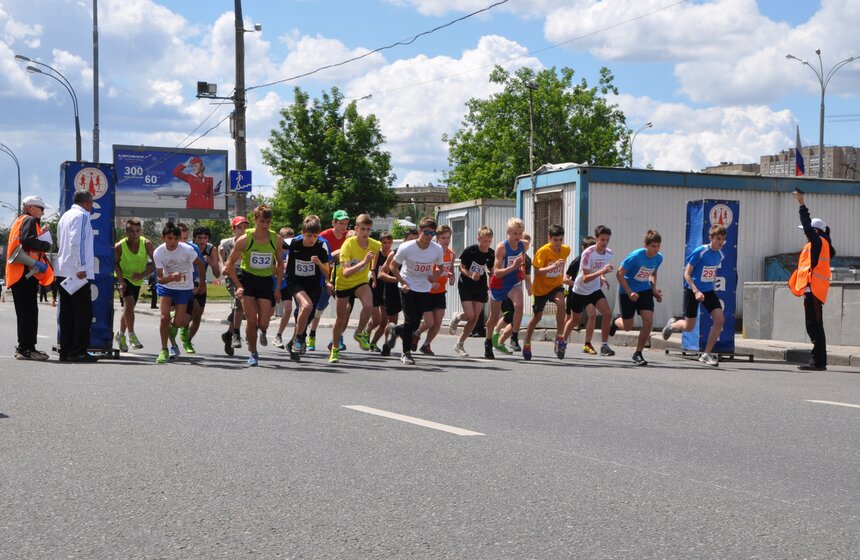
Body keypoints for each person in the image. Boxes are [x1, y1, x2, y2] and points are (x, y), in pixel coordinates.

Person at [225, 205, 284, 367]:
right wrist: (238, 286)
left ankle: (263, 331)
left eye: (268, 222)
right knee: (251, 319)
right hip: (248, 280)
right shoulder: (245, 239)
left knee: (263, 322)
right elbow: (229, 264)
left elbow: (280, 264)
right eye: (262, 221)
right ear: (255, 220)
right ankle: (253, 352)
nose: (265, 225)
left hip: (265, 282)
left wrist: (278, 287)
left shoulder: (276, 239)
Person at [662, 224, 727, 367]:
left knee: (719, 319)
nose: (720, 242)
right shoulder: (701, 252)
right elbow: (686, 274)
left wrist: (712, 286)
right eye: (718, 239)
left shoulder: (720, 255)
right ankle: (672, 325)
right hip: (693, 290)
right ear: (711, 238)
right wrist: (696, 291)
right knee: (689, 326)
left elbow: (712, 271)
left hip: (708, 291)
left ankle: (706, 354)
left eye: (723, 239)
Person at [382, 217, 444, 365]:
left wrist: (433, 278)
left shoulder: (437, 249)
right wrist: (402, 282)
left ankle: (395, 330)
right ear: (420, 231)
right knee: (410, 320)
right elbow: (393, 266)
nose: (429, 236)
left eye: (432, 233)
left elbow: (441, 267)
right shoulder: (407, 247)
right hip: (407, 285)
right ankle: (406, 353)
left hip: (423, 287)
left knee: (416, 323)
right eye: (427, 232)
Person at [789, 191, 835, 371]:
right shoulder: (820, 244)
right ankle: (818, 362)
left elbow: (807, 227)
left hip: (814, 290)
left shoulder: (818, 242)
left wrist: (802, 205)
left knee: (815, 326)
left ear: (815, 231)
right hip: (813, 290)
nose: (805, 234)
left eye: (808, 232)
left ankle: (818, 362)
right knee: (814, 326)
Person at [6, 195, 54, 360]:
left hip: (18, 274)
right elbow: (28, 241)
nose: (43, 212)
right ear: (32, 208)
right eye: (41, 209)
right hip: (25, 273)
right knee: (29, 313)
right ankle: (27, 349)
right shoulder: (29, 221)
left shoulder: (19, 221)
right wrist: (46, 245)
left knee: (25, 313)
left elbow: (26, 240)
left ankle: (24, 348)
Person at [330, 214, 381, 362]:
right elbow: (345, 272)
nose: (366, 233)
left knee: (369, 305)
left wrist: (372, 270)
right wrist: (364, 262)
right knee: (341, 319)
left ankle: (359, 333)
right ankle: (334, 348)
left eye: (368, 229)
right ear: (356, 229)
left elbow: (376, 253)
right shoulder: (348, 245)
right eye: (363, 229)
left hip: (360, 282)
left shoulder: (374, 244)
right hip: (344, 283)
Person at [153, 223, 205, 364]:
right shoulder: (158, 252)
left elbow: (200, 265)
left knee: (180, 323)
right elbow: (159, 278)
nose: (173, 242)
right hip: (167, 287)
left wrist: (201, 283)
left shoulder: (187, 250)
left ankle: (173, 319)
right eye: (169, 238)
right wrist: (170, 278)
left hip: (183, 288)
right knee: (163, 319)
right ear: (163, 238)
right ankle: (164, 349)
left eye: (176, 238)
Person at [611, 230, 664, 366]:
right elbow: (619, 274)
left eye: (658, 246)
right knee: (628, 326)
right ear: (645, 245)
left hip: (644, 290)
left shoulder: (658, 258)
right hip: (627, 290)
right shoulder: (635, 257)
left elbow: (653, 273)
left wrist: (653, 290)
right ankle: (616, 321)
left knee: (648, 319)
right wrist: (629, 292)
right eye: (653, 246)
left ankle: (638, 353)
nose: (656, 249)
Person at [56, 190, 97, 362]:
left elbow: (61, 242)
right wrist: (81, 267)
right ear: (87, 202)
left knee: (66, 314)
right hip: (76, 273)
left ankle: (65, 350)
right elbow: (77, 242)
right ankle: (78, 351)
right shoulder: (82, 216)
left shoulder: (65, 216)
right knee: (83, 314)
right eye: (92, 202)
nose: (92, 206)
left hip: (63, 270)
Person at [562, 225, 616, 357]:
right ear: (596, 239)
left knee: (607, 314)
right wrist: (602, 272)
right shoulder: (587, 254)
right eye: (602, 239)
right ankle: (562, 341)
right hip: (580, 290)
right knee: (575, 320)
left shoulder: (608, 253)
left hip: (594, 289)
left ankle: (604, 345)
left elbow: (597, 269)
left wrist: (603, 277)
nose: (604, 243)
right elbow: (585, 278)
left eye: (607, 240)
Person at [284, 216, 331, 361]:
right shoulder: (293, 242)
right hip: (295, 282)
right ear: (302, 233)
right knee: (306, 305)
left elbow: (327, 271)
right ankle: (299, 339)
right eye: (309, 235)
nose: (312, 239)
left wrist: (319, 263)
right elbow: (274, 244)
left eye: (315, 236)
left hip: (313, 285)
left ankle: (293, 343)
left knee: (309, 314)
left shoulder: (321, 246)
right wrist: (279, 264)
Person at [522, 225, 570, 360]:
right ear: (549, 238)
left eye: (560, 240)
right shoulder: (543, 251)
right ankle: (527, 342)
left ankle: (559, 337)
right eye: (555, 240)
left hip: (556, 286)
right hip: (541, 289)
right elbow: (536, 272)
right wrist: (553, 266)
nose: (558, 243)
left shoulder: (566, 250)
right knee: (537, 317)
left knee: (561, 304)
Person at [307, 210, 350, 352]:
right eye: (341, 223)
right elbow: (318, 259)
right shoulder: (323, 236)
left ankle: (337, 339)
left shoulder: (349, 237)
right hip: (324, 277)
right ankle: (311, 335)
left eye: (346, 223)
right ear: (334, 223)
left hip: (341, 279)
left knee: (346, 309)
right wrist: (326, 280)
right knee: (319, 309)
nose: (344, 227)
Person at [484, 218, 526, 359]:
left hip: (513, 282)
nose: (518, 237)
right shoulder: (502, 247)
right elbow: (496, 272)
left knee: (519, 305)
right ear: (508, 232)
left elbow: (523, 261)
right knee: (494, 317)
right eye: (515, 234)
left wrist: (520, 269)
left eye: (520, 233)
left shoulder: (523, 245)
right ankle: (488, 342)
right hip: (499, 283)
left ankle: (514, 336)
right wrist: (513, 267)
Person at [449, 227, 494, 357]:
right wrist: (470, 274)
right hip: (466, 284)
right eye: (484, 240)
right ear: (478, 238)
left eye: (489, 241)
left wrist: (492, 281)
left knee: (475, 317)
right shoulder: (470, 250)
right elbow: (461, 267)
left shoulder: (491, 253)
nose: (486, 244)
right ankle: (457, 316)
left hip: (480, 286)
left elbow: (491, 270)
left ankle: (459, 344)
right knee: (469, 315)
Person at [372, 229, 418, 351]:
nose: (413, 243)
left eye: (415, 240)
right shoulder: (395, 254)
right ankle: (387, 345)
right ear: (404, 241)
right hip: (392, 292)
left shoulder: (421, 255)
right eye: (410, 240)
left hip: (410, 291)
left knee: (414, 320)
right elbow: (381, 274)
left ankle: (406, 339)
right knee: (392, 322)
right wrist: (398, 280)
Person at [114, 219, 155, 352]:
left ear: (140, 231)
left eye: (137, 231)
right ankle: (131, 336)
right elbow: (115, 264)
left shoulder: (147, 244)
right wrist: (121, 281)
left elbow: (156, 263)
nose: (134, 234)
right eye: (131, 231)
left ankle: (120, 335)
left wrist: (142, 275)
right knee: (129, 305)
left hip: (137, 279)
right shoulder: (119, 246)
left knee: (128, 308)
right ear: (126, 232)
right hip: (124, 278)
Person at [180, 225, 220, 354]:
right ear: (194, 238)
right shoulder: (189, 247)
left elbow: (217, 273)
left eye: (205, 238)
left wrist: (211, 261)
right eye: (199, 238)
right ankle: (182, 331)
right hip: (187, 284)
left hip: (201, 284)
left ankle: (188, 340)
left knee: (198, 315)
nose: (202, 241)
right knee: (192, 311)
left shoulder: (211, 249)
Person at [416, 224, 455, 355]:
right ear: (437, 238)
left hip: (440, 292)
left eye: (448, 238)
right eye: (443, 238)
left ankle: (426, 345)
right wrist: (432, 283)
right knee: (429, 322)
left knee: (437, 322)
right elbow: (423, 272)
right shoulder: (431, 252)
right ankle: (416, 334)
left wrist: (451, 277)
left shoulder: (451, 254)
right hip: (427, 291)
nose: (446, 240)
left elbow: (450, 270)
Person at [494, 233, 532, 353]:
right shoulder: (503, 248)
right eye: (521, 239)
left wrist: (529, 287)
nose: (523, 244)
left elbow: (527, 275)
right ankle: (496, 331)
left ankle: (507, 340)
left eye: (527, 242)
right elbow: (495, 270)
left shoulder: (527, 259)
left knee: (516, 313)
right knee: (509, 315)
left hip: (515, 286)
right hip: (503, 285)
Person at [219, 216, 248, 355]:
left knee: (244, 306)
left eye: (244, 227)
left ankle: (228, 335)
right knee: (241, 300)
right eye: (239, 227)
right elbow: (221, 257)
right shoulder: (227, 243)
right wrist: (223, 267)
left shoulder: (250, 241)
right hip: (232, 277)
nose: (242, 230)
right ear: (234, 229)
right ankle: (236, 334)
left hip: (247, 276)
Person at [563, 236, 598, 353]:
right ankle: (562, 340)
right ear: (583, 248)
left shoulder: (595, 259)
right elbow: (565, 279)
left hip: (589, 292)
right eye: (588, 249)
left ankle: (587, 344)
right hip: (576, 292)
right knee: (572, 319)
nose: (590, 252)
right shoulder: (577, 262)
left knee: (592, 314)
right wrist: (576, 283)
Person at [367, 231, 395, 352]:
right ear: (380, 242)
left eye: (389, 242)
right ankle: (365, 335)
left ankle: (373, 343)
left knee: (384, 321)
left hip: (386, 289)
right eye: (384, 242)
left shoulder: (393, 255)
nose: (387, 245)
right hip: (374, 287)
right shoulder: (377, 254)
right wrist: (373, 278)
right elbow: (371, 269)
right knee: (376, 320)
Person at [272, 226, 295, 350]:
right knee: (268, 312)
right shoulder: (275, 249)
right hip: (274, 282)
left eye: (291, 238)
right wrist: (281, 266)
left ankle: (278, 335)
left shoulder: (293, 251)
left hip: (286, 283)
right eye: (287, 238)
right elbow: (275, 266)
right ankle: (257, 330)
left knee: (288, 308)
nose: (289, 241)